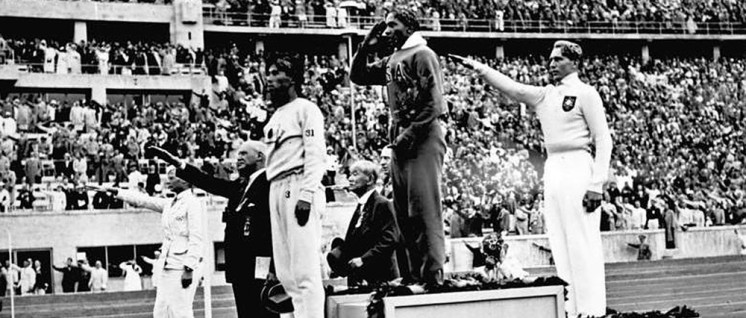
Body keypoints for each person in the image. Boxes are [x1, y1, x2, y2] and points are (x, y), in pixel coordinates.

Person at [451, 40, 613, 317]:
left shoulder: (586, 93)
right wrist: (478, 67)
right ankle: (572, 308)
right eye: (550, 60)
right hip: (554, 167)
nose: (551, 65)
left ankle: (593, 310)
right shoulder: (544, 95)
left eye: (558, 60)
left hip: (578, 164)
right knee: (559, 241)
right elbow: (512, 88)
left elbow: (603, 139)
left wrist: (596, 183)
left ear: (573, 62)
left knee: (581, 241)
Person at [350, 9, 448, 287]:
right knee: (404, 213)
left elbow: (434, 104)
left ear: (409, 27)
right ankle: (413, 274)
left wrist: (405, 137)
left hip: (423, 138)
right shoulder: (393, 58)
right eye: (385, 26)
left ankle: (432, 276)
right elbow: (358, 76)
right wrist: (364, 47)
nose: (387, 30)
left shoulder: (422, 54)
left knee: (424, 210)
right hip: (401, 140)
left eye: (393, 25)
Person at [150, 141, 277, 318]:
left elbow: (276, 229)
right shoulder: (241, 185)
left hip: (261, 266)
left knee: (263, 314)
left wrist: (274, 268)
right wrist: (179, 164)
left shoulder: (271, 184)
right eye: (237, 154)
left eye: (243, 154)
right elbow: (209, 182)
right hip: (240, 266)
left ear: (259, 156)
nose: (237, 158)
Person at [89, 166, 205, 318]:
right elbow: (143, 200)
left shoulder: (192, 203)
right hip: (166, 265)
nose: (168, 180)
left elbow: (196, 237)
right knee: (161, 312)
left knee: (180, 311)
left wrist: (189, 268)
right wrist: (113, 191)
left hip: (182, 266)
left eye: (173, 177)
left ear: (185, 181)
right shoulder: (170, 204)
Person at [263, 55, 326, 318]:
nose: (269, 78)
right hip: (276, 186)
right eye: (268, 73)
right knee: (286, 273)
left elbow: (315, 153)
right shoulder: (275, 115)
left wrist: (307, 193)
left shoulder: (306, 109)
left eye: (276, 73)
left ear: (292, 79)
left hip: (297, 183)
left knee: (304, 270)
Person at [327, 160, 400, 286]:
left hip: (382, 278)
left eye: (355, 174)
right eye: (350, 174)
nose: (350, 178)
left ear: (370, 179)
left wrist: (363, 260)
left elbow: (390, 239)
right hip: (362, 279)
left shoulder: (383, 204)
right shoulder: (361, 206)